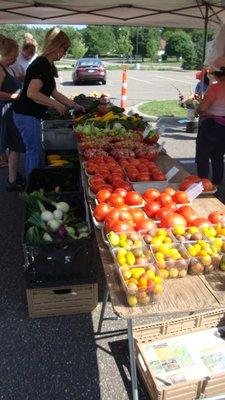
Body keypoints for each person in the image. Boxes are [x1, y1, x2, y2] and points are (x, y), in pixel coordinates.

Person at [12, 27, 84, 179]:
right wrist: (56, 105)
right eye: (65, 49)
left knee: (35, 151)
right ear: (57, 47)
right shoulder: (41, 64)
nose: (65, 53)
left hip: (28, 114)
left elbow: (54, 92)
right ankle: (32, 188)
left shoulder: (47, 64)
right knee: (35, 152)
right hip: (26, 114)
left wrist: (73, 105)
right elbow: (32, 93)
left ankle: (31, 183)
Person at [0, 34, 25, 191]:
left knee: (14, 145)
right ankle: (12, 180)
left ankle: (13, 174)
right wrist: (13, 96)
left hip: (12, 111)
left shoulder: (5, 68)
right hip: (7, 112)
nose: (15, 59)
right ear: (4, 54)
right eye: (13, 56)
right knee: (15, 145)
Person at [195, 68, 225, 185]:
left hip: (212, 125)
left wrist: (198, 110)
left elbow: (202, 108)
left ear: (217, 74)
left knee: (203, 155)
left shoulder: (215, 88)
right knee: (218, 155)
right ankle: (217, 183)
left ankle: (203, 184)